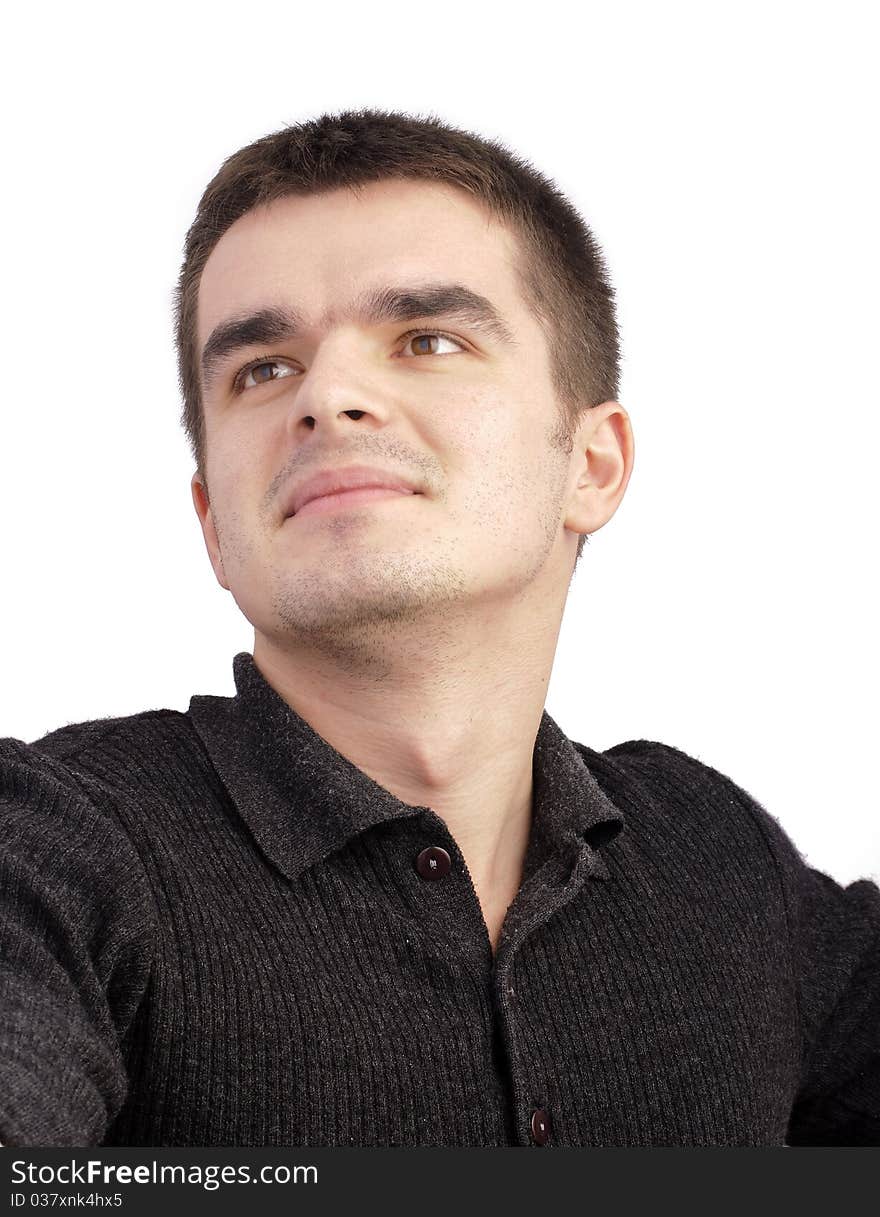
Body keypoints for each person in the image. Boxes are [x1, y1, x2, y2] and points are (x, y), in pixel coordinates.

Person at [1, 108, 878, 1149]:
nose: (327, 395)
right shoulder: (55, 849)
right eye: (261, 368)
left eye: (427, 339)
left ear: (588, 466)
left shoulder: (718, 859)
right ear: (215, 525)